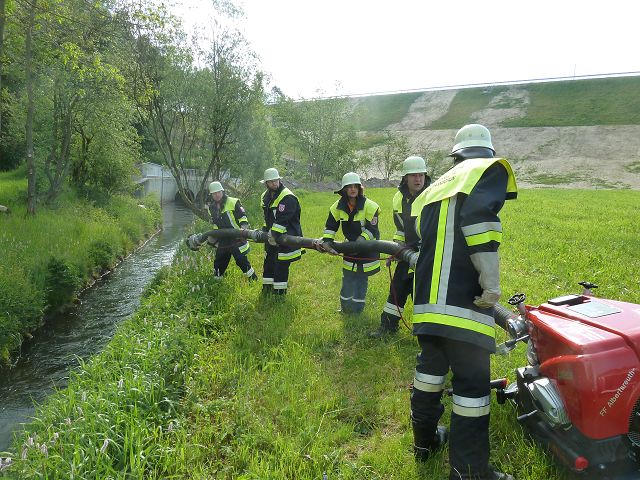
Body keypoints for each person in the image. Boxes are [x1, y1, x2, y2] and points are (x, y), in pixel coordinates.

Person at [409, 124, 517, 480]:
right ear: (486, 152)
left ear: (456, 155)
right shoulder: (487, 170)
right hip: (463, 306)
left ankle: (425, 444)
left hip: (426, 304)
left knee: (429, 374)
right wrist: (491, 286)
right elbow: (479, 224)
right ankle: (469, 472)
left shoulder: (435, 186)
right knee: (472, 391)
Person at [369, 156, 431, 338]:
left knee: (423, 294)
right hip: (407, 252)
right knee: (397, 287)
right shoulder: (399, 198)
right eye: (413, 176)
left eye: (421, 175)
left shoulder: (433, 195)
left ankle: (427, 335)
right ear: (405, 178)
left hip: (429, 253)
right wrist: (397, 250)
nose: (418, 179)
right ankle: (388, 327)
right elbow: (401, 229)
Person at [319, 172, 380, 314]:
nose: (353, 189)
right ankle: (345, 308)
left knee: (360, 279)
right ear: (344, 189)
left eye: (355, 186)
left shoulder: (370, 206)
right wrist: (327, 242)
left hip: (366, 248)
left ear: (359, 188)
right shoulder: (337, 206)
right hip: (349, 248)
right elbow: (330, 226)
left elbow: (373, 231)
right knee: (347, 278)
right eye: (349, 186)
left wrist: (360, 242)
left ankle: (357, 311)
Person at [260, 168, 303, 296]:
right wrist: (265, 232)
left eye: (276, 180)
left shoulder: (287, 197)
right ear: (266, 183)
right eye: (271, 181)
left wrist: (273, 234)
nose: (274, 183)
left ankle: (279, 295)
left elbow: (283, 219)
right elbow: (267, 218)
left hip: (287, 237)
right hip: (271, 237)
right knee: (268, 264)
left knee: (281, 266)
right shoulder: (265, 196)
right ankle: (266, 290)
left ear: (279, 180)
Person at [206, 181, 258, 281]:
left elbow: (243, 217)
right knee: (219, 260)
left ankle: (253, 278)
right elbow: (215, 225)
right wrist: (215, 239)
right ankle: (217, 281)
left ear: (222, 191)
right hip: (223, 239)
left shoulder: (233, 202)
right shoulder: (211, 207)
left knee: (241, 260)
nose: (216, 195)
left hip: (236, 237)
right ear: (211, 195)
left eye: (218, 192)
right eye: (214, 193)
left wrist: (244, 229)